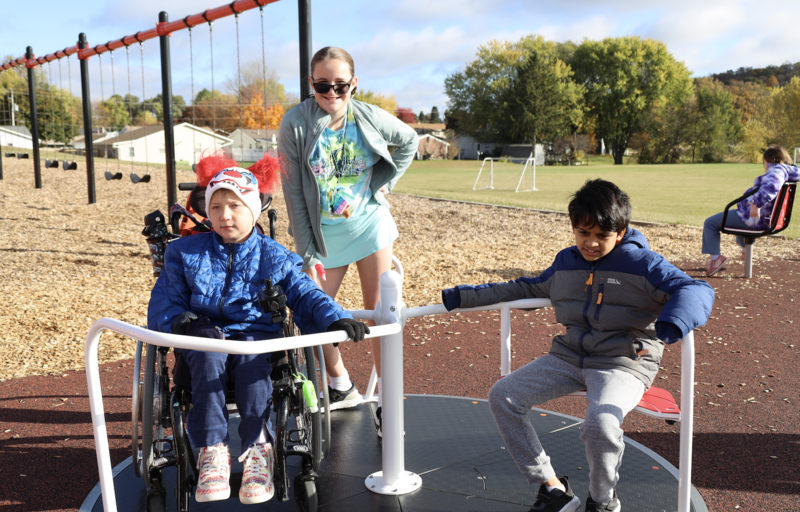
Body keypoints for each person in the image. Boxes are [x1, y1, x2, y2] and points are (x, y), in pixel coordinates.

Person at [440, 179, 714, 512]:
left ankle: (602, 500)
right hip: (570, 356)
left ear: (622, 231)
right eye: (584, 233)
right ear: (574, 228)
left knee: (600, 425)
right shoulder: (567, 263)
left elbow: (696, 289)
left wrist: (674, 321)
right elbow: (524, 289)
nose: (592, 243)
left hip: (622, 362)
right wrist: (464, 297)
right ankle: (552, 486)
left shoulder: (644, 265)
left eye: (602, 235)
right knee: (503, 396)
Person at [147, 159, 369, 505]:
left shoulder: (275, 256)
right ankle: (212, 452)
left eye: (235, 205)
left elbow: (305, 293)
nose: (224, 215)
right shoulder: (184, 253)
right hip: (203, 339)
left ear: (253, 209)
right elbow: (164, 302)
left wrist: (334, 318)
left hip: (255, 337)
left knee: (253, 362)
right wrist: (184, 322)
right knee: (207, 348)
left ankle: (257, 450)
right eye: (216, 206)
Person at [278, 46, 419, 429]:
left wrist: (382, 182)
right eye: (323, 86)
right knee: (311, 315)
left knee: (379, 314)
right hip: (325, 237)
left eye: (341, 85)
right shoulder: (295, 123)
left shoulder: (367, 115)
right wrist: (307, 252)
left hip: (371, 226)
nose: (333, 94)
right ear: (311, 84)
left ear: (353, 83)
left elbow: (409, 141)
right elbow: (293, 193)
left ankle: (388, 401)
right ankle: (341, 384)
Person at [702, 145, 800, 276]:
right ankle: (745, 250)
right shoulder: (788, 171)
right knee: (737, 215)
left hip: (755, 220)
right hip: (762, 218)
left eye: (763, 162)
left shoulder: (776, 171)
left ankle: (715, 260)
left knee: (710, 223)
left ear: (769, 160)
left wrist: (756, 205)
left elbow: (771, 186)